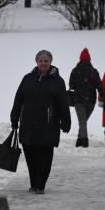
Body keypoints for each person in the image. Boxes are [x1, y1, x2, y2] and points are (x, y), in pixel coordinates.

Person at [10, 50, 71, 194]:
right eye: (41, 60)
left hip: (48, 125)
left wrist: (66, 121)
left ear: (50, 62)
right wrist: (14, 117)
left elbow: (63, 102)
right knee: (30, 157)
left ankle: (40, 185)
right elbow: (18, 99)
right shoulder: (27, 79)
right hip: (28, 124)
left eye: (46, 60)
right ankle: (34, 184)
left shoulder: (58, 81)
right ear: (37, 62)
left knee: (44, 157)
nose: (43, 63)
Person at [69, 48, 104, 148]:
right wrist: (103, 95)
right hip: (91, 101)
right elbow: (99, 85)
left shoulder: (75, 71)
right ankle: (82, 140)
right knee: (83, 122)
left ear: (80, 59)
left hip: (78, 101)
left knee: (82, 122)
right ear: (89, 59)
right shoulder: (93, 71)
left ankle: (82, 140)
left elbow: (71, 85)